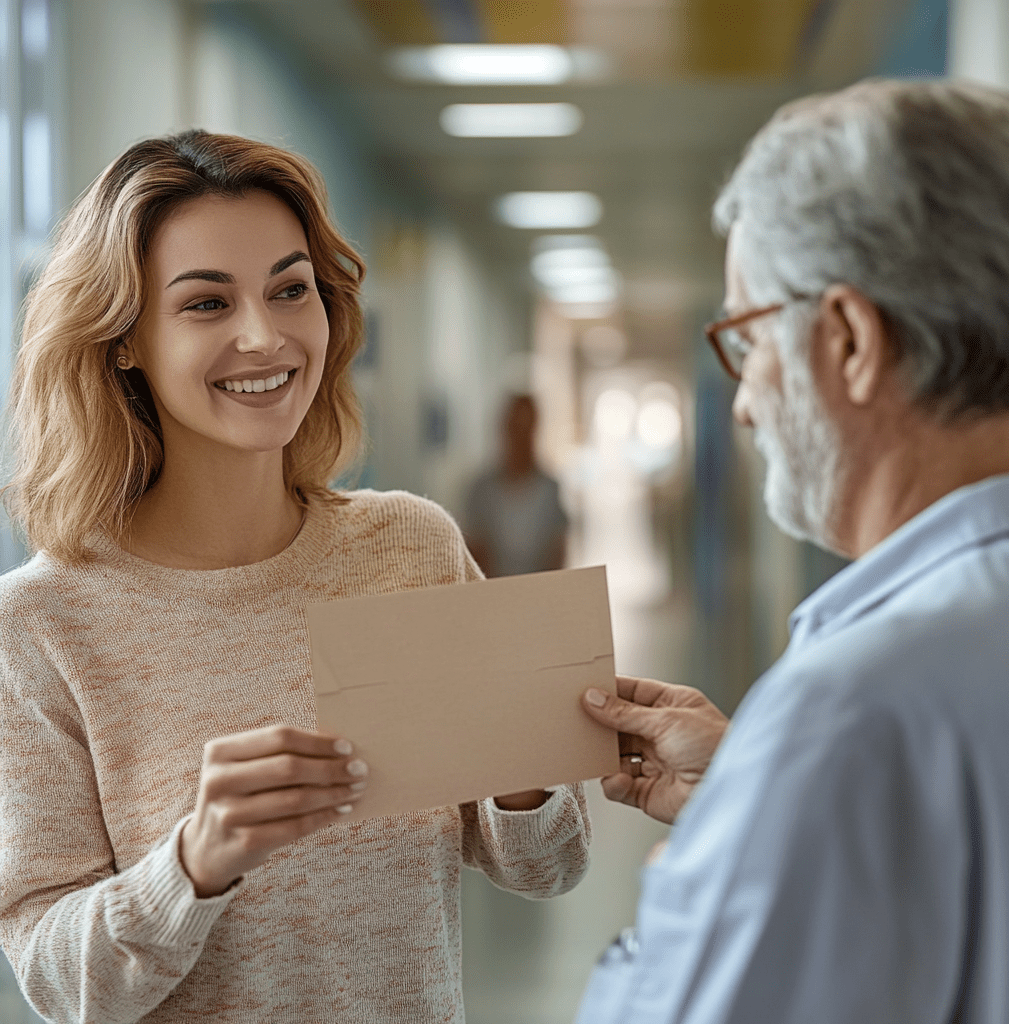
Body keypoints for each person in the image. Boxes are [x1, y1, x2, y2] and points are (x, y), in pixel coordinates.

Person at [0, 130, 591, 1024]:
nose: (263, 335)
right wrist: (196, 862)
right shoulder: (44, 623)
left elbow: (550, 864)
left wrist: (524, 756)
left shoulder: (410, 550)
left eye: (290, 289)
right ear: (123, 339)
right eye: (206, 304)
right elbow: (54, 982)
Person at [576, 78, 1009, 1023]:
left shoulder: (853, 706)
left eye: (748, 336)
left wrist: (712, 869)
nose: (742, 402)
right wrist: (762, 800)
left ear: (850, 340)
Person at [462, 393, 567, 578]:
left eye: (526, 428)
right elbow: (474, 553)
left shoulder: (550, 490)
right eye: (515, 428)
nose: (520, 437)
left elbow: (557, 556)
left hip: (540, 596)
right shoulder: (481, 490)